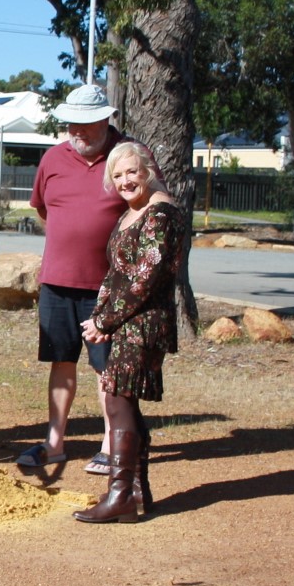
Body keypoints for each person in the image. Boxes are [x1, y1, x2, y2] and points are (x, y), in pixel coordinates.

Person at [19, 84, 155, 472]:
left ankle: (111, 445)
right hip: (57, 281)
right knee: (60, 361)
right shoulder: (53, 158)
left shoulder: (128, 155)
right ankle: (55, 442)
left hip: (108, 287)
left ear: (105, 119)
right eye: (71, 124)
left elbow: (151, 202)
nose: (77, 131)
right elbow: (44, 209)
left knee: (106, 368)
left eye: (86, 124)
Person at [74, 142, 186, 523]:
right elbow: (115, 276)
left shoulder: (161, 213)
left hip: (145, 321)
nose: (125, 181)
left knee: (119, 400)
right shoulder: (131, 214)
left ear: (148, 169)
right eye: (117, 175)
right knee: (124, 401)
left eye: (132, 172)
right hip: (125, 321)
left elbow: (145, 277)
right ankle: (136, 492)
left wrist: (105, 321)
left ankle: (120, 494)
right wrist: (100, 319)